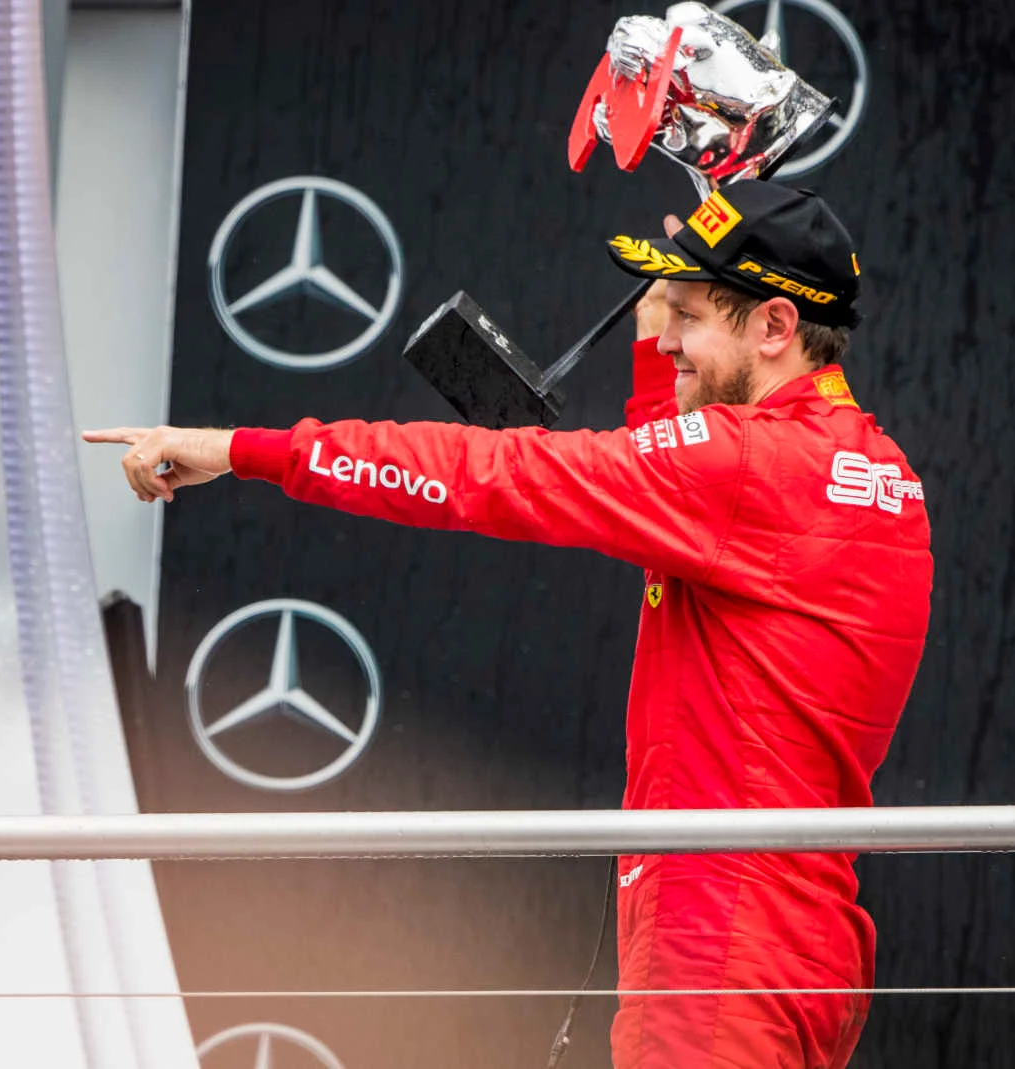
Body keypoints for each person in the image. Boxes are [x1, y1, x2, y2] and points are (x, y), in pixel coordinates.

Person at [84, 180, 932, 1069]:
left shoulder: (745, 465)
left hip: (714, 932)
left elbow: (488, 473)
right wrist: (659, 348)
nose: (670, 335)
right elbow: (670, 515)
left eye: (688, 317)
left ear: (773, 327)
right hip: (798, 935)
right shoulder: (875, 470)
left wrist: (244, 450)